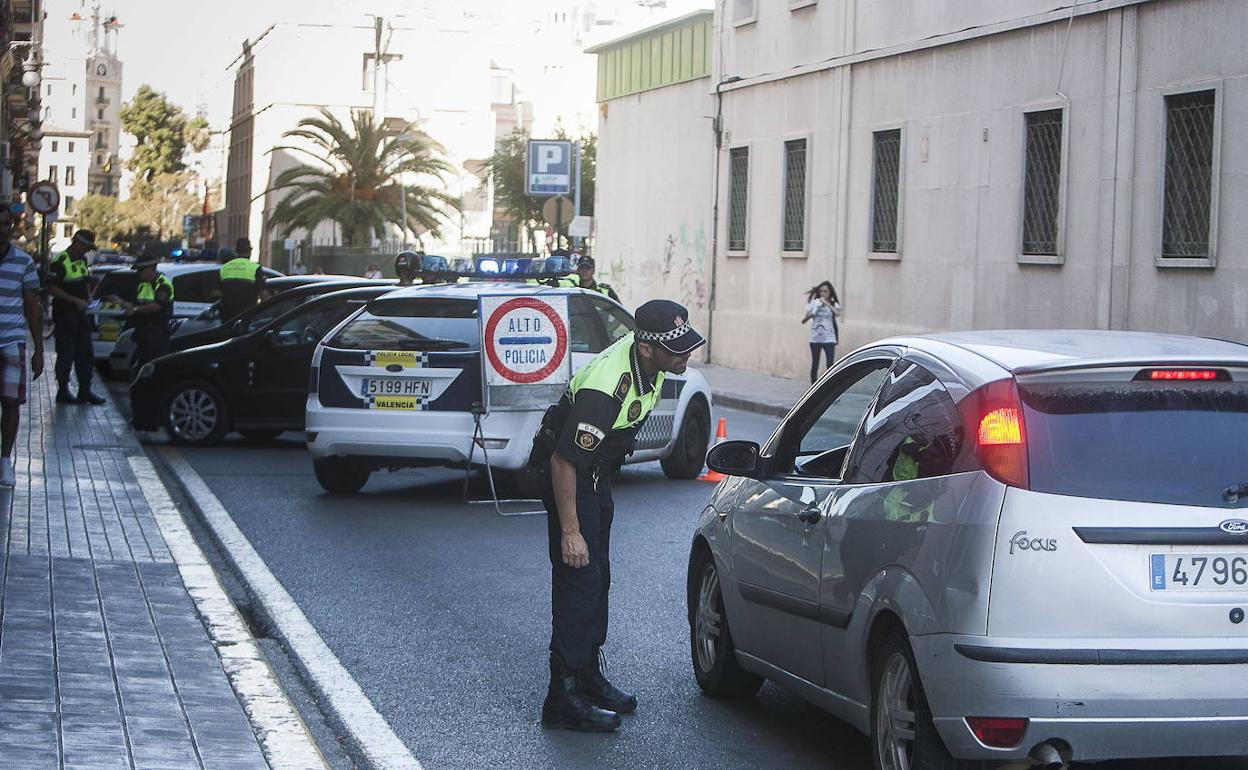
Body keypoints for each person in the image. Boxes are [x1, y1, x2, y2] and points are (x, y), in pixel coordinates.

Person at [530, 299, 706, 732]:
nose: (686, 354)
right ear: (647, 348)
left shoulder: (652, 364)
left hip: (595, 475)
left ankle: (587, 675)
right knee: (579, 578)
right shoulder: (609, 385)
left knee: (598, 577)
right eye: (677, 348)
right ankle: (563, 695)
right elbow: (562, 462)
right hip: (569, 476)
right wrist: (571, 532)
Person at [0, 206, 43, 486]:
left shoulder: (23, 262)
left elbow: (32, 306)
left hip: (12, 341)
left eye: (5, 224)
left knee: (11, 401)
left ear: (11, 227)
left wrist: (39, 349)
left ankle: (5, 461)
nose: (1, 228)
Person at [46, 228, 104, 404]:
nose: (87, 251)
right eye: (86, 247)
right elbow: (51, 288)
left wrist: (87, 296)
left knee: (85, 353)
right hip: (65, 315)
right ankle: (63, 392)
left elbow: (85, 281)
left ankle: (85, 391)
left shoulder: (82, 260)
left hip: (80, 314)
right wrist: (73, 301)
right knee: (66, 353)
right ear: (77, 242)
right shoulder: (60, 261)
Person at [117, 256, 174, 372]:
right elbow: (138, 304)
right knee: (142, 366)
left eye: (141, 270)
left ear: (150, 269)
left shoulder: (163, 284)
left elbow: (157, 306)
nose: (139, 273)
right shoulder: (143, 284)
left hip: (156, 333)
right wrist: (122, 303)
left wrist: (134, 310)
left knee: (155, 367)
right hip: (143, 333)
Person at [801, 280, 841, 383]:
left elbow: (837, 313)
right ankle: (813, 385)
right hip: (815, 338)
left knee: (830, 364)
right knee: (815, 363)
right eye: (821, 291)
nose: (823, 294)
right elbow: (803, 321)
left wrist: (826, 303)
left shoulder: (833, 304)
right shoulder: (814, 303)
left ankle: (830, 385)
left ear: (830, 293)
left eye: (825, 291)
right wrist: (811, 314)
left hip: (829, 338)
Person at [218, 238, 268, 322]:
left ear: (236, 251)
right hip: (248, 316)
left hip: (227, 318)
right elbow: (263, 295)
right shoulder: (255, 268)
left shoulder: (224, 267)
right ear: (250, 252)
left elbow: (217, 292)